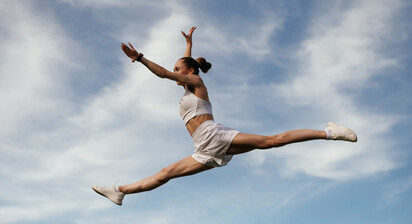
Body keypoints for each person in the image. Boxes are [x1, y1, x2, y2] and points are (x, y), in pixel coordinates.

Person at [92, 27, 357, 206]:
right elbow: (183, 63)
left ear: (188, 71)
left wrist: (139, 57)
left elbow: (165, 72)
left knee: (272, 141)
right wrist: (188, 44)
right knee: (164, 174)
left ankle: (332, 132)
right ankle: (119, 192)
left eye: (178, 69)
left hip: (212, 135)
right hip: (203, 147)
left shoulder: (195, 81)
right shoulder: (189, 83)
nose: (174, 72)